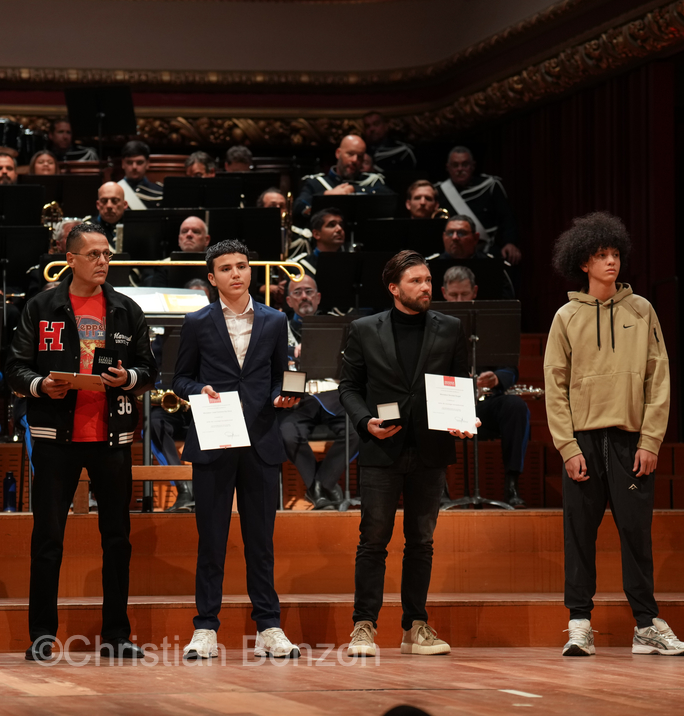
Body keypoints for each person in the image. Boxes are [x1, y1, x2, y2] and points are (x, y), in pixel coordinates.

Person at [5, 222, 156, 662]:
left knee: (117, 539)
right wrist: (39, 386)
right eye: (93, 254)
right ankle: (41, 636)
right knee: (48, 538)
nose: (103, 261)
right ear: (69, 259)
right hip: (56, 436)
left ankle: (116, 635)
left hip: (112, 437)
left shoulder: (127, 309)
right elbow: (14, 368)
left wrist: (128, 378)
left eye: (107, 254)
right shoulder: (41, 307)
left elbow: (149, 370)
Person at [545, 212, 684, 658]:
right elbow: (555, 384)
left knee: (635, 532)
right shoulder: (566, 316)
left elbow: (658, 378)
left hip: (630, 440)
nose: (611, 262)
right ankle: (579, 624)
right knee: (579, 534)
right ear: (583, 263)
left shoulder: (641, 309)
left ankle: (646, 625)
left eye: (614, 254)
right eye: (601, 255)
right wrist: (568, 447)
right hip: (584, 442)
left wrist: (650, 440)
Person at [339, 250, 474, 658]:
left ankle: (416, 626)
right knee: (373, 541)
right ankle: (364, 626)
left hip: (432, 447)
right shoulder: (364, 329)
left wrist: (463, 416)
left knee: (421, 541)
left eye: (428, 280)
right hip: (382, 447)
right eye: (416, 281)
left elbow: (458, 382)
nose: (426, 287)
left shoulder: (450, 327)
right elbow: (348, 388)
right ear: (394, 288)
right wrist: (366, 423)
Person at [173, 239, 302, 661]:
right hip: (214, 438)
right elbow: (181, 379)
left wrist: (287, 395)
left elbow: (283, 375)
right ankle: (205, 628)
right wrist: (199, 390)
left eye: (242, 266)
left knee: (260, 542)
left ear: (250, 271)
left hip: (262, 441)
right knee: (211, 539)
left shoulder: (274, 319)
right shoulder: (196, 321)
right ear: (212, 278)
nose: (236, 274)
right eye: (226, 268)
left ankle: (268, 625)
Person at [440, 265, 528, 508]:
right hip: (449, 403)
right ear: (444, 293)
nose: (459, 300)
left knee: (515, 407)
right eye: (454, 295)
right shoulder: (434, 325)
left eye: (464, 295)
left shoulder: (492, 323)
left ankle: (512, 485)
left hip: (486, 404)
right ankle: (440, 489)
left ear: (475, 292)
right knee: (424, 410)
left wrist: (496, 378)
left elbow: (511, 369)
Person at [280, 274, 357, 510]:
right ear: (289, 301)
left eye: (309, 291)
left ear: (319, 297)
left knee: (358, 430)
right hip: (299, 398)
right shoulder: (277, 329)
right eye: (297, 292)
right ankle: (324, 487)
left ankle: (320, 485)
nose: (304, 296)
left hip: (334, 396)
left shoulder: (339, 326)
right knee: (286, 433)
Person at [436, 147, 521, 264]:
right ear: (448, 168)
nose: (460, 169)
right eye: (455, 165)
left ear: (473, 166)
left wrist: (510, 243)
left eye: (465, 164)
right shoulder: (438, 191)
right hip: (451, 254)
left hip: (487, 251)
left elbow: (507, 218)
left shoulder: (490, 186)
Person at [294, 135, 391, 223]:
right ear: (338, 153)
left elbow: (389, 198)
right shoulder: (316, 183)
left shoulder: (372, 181)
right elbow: (298, 208)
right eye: (350, 154)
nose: (355, 160)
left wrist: (355, 189)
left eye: (360, 157)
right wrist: (326, 195)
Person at [290, 207, 345, 277]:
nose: (339, 229)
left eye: (341, 225)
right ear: (316, 234)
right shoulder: (298, 267)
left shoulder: (351, 263)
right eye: (332, 225)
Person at [118, 140, 158, 209]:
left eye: (139, 162)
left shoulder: (159, 192)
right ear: (123, 163)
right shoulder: (113, 191)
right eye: (129, 162)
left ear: (148, 163)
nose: (134, 167)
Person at [88, 182, 127, 250]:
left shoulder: (136, 228)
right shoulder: (87, 228)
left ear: (125, 204)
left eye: (115, 200)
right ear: (98, 205)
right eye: (104, 201)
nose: (109, 206)